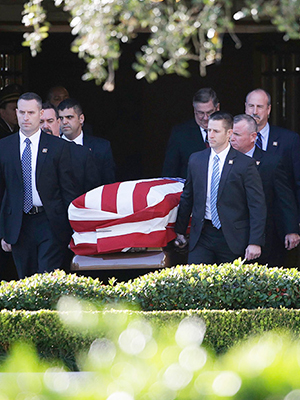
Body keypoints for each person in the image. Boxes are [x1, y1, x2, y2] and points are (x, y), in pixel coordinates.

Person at [0, 92, 77, 279]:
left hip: (49, 221)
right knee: (25, 278)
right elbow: (3, 191)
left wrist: (72, 228)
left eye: (31, 113)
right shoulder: (4, 147)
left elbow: (68, 190)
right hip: (18, 223)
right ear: (16, 113)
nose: (26, 118)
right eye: (22, 113)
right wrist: (3, 231)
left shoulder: (58, 147)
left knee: (46, 278)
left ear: (40, 114)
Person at [175, 111, 267, 265]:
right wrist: (180, 230)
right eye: (209, 130)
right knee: (197, 283)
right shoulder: (196, 160)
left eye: (216, 131)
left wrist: (255, 241)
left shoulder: (245, 164)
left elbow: (257, 205)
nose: (210, 135)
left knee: (231, 286)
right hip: (203, 234)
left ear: (229, 133)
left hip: (233, 236)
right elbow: (188, 197)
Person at [231, 114, 300, 266]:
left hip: (265, 236)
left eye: (236, 134)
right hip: (230, 237)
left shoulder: (271, 162)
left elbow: (284, 197)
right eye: (230, 133)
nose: (232, 138)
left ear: (253, 137)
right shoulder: (222, 161)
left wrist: (291, 229)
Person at [245, 88, 300, 221]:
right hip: (243, 220)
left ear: (268, 110)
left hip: (278, 219)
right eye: (251, 106)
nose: (254, 112)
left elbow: (297, 182)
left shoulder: (289, 140)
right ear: (245, 107)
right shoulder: (234, 138)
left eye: (260, 107)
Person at [41, 101, 100, 197]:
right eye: (41, 122)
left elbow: (92, 192)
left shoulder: (81, 153)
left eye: (50, 121)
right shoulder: (31, 154)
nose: (45, 126)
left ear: (58, 122)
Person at [162, 88, 220, 179]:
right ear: (194, 109)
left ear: (217, 108)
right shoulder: (180, 134)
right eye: (200, 113)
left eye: (209, 112)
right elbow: (169, 172)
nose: (205, 118)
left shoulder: (230, 130)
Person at [57, 98, 116, 185]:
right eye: (61, 118)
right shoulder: (52, 147)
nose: (64, 122)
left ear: (81, 119)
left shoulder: (101, 147)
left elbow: (108, 185)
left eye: (69, 117)